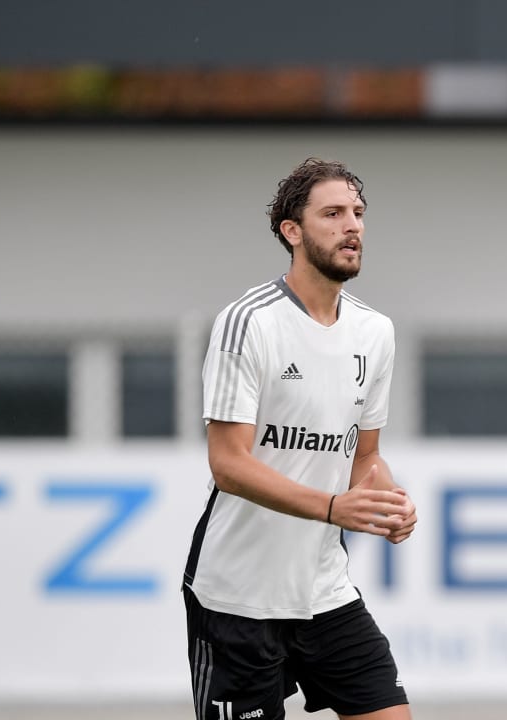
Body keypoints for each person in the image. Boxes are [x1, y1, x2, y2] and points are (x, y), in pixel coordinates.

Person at [182, 158, 418, 720]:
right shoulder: (249, 321)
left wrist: (388, 500)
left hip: (324, 591)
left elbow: (365, 457)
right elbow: (228, 464)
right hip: (236, 596)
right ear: (292, 231)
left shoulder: (375, 332)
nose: (352, 226)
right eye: (332, 214)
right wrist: (335, 507)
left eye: (358, 213)